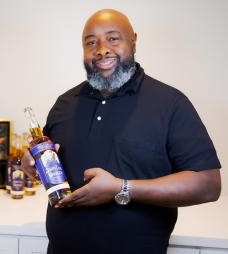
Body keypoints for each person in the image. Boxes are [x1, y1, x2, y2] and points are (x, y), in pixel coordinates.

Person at [22, 9, 222, 254]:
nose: (102, 48)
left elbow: (208, 185)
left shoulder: (171, 103)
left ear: (134, 40)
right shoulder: (65, 103)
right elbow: (48, 160)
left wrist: (121, 188)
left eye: (113, 38)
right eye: (91, 42)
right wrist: (32, 163)